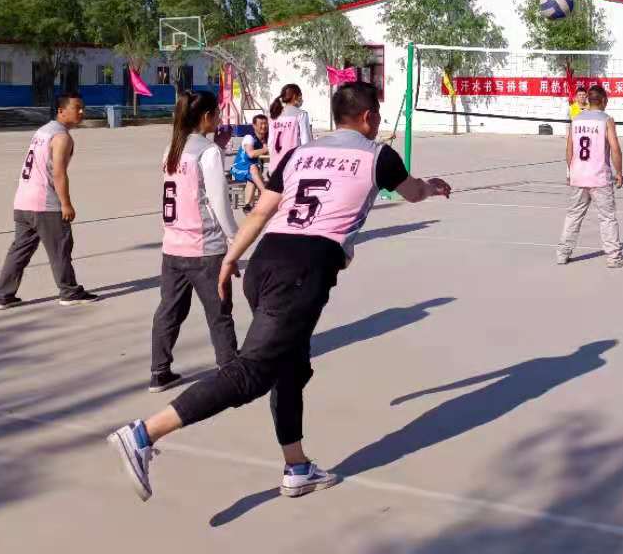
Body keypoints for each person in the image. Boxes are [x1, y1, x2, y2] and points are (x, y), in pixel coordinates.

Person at [107, 81, 452, 502]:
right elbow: (413, 193)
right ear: (367, 117)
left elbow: (259, 213)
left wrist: (231, 260)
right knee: (251, 374)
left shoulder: (299, 154)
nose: (378, 122)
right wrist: (432, 186)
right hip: (300, 273)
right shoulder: (378, 155)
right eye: (377, 115)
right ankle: (143, 434)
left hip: (266, 261)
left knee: (290, 370)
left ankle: (297, 467)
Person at [150, 91, 240, 392]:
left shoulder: (172, 148)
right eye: (217, 113)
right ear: (206, 116)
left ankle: (159, 371)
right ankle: (229, 366)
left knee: (169, 311)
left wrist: (219, 147)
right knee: (219, 311)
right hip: (204, 247)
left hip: (173, 246)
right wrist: (234, 239)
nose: (220, 118)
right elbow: (218, 202)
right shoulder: (207, 152)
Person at [0, 93, 98, 309]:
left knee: (19, 251)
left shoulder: (42, 132)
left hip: (23, 201)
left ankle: (3, 296)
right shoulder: (61, 137)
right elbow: (58, 173)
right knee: (60, 248)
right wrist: (65, 203)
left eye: (82, 108)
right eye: (77, 108)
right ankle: (69, 292)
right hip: (45, 204)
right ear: (61, 111)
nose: (81, 112)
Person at [558, 84, 623, 268]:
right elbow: (615, 148)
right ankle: (614, 257)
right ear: (604, 100)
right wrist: (619, 172)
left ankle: (562, 253)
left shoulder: (576, 120)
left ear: (589, 100)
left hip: (578, 176)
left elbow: (569, 149)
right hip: (599, 178)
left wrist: (570, 171)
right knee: (607, 218)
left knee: (573, 215)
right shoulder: (606, 120)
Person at [267, 84, 313, 174]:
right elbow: (306, 142)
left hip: (275, 165)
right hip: (292, 166)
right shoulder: (301, 114)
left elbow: (270, 143)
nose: (301, 99)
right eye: (300, 96)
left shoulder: (274, 115)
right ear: (295, 96)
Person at [231, 113, 271, 211]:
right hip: (239, 168)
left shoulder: (266, 140)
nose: (264, 126)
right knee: (253, 169)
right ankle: (265, 194)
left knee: (253, 177)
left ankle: (248, 206)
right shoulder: (249, 138)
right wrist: (265, 149)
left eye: (265, 124)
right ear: (254, 126)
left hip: (254, 171)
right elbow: (251, 154)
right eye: (261, 124)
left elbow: (268, 157)